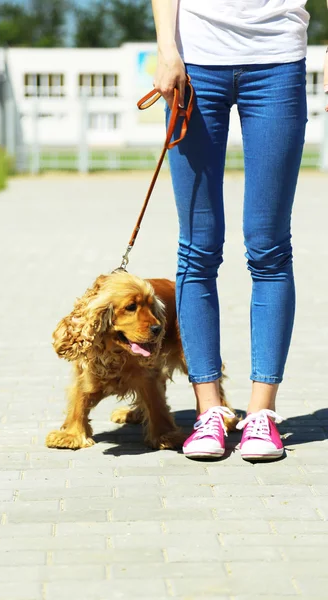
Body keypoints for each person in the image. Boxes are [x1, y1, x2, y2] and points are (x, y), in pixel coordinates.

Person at [151, 0, 313, 461]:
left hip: (279, 59)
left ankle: (262, 413)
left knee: (269, 248)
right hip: (196, 60)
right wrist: (167, 49)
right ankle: (210, 410)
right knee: (197, 249)